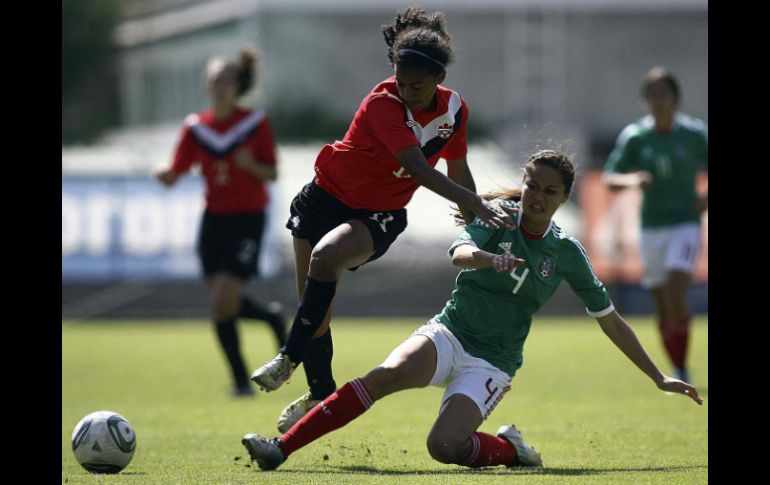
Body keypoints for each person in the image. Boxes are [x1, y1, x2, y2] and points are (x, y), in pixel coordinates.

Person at [240, 149, 703, 471]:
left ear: (564, 199)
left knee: (443, 446)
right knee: (382, 376)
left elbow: (611, 321)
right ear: (522, 185)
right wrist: (487, 258)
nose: (537, 197)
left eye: (549, 191)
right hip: (450, 332)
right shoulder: (493, 219)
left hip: (492, 361)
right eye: (531, 186)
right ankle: (280, 448)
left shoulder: (567, 254)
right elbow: (458, 254)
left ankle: (511, 451)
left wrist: (658, 377)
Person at [250, 6, 514, 430]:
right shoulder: (382, 102)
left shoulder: (454, 112)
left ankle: (287, 357)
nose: (407, 91)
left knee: (325, 260)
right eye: (401, 81)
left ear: (440, 80)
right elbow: (418, 169)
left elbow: (457, 169)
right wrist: (479, 203)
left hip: (379, 213)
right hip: (323, 200)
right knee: (315, 309)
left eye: (418, 85)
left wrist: (475, 228)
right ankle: (320, 393)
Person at [155, 48, 286, 397]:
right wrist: (167, 175)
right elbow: (178, 169)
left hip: (248, 219)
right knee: (221, 302)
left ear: (237, 85)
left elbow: (272, 172)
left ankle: (243, 380)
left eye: (226, 80)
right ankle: (269, 326)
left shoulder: (254, 123)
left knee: (222, 301)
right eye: (214, 80)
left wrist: (249, 165)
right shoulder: (196, 127)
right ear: (206, 85)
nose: (220, 86)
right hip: (213, 220)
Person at [602, 67, 708, 384]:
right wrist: (632, 179)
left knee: (677, 288)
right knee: (662, 304)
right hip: (650, 227)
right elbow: (610, 177)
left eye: (664, 93)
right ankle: (678, 366)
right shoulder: (637, 137)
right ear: (645, 100)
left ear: (675, 98)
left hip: (685, 224)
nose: (659, 100)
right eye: (653, 94)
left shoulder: (692, 134)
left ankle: (681, 366)